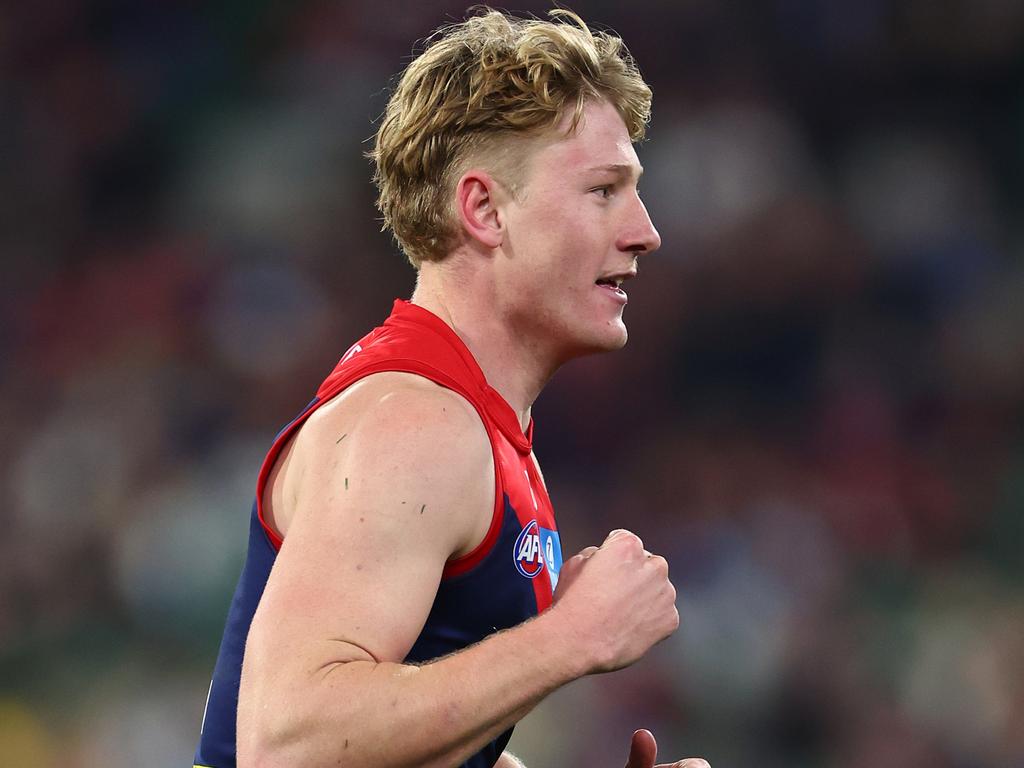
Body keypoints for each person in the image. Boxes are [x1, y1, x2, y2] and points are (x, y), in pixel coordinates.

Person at [194, 8, 708, 768]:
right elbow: (287, 743)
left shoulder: (471, 419)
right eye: (604, 191)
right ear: (484, 210)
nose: (645, 229)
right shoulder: (417, 423)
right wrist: (569, 640)